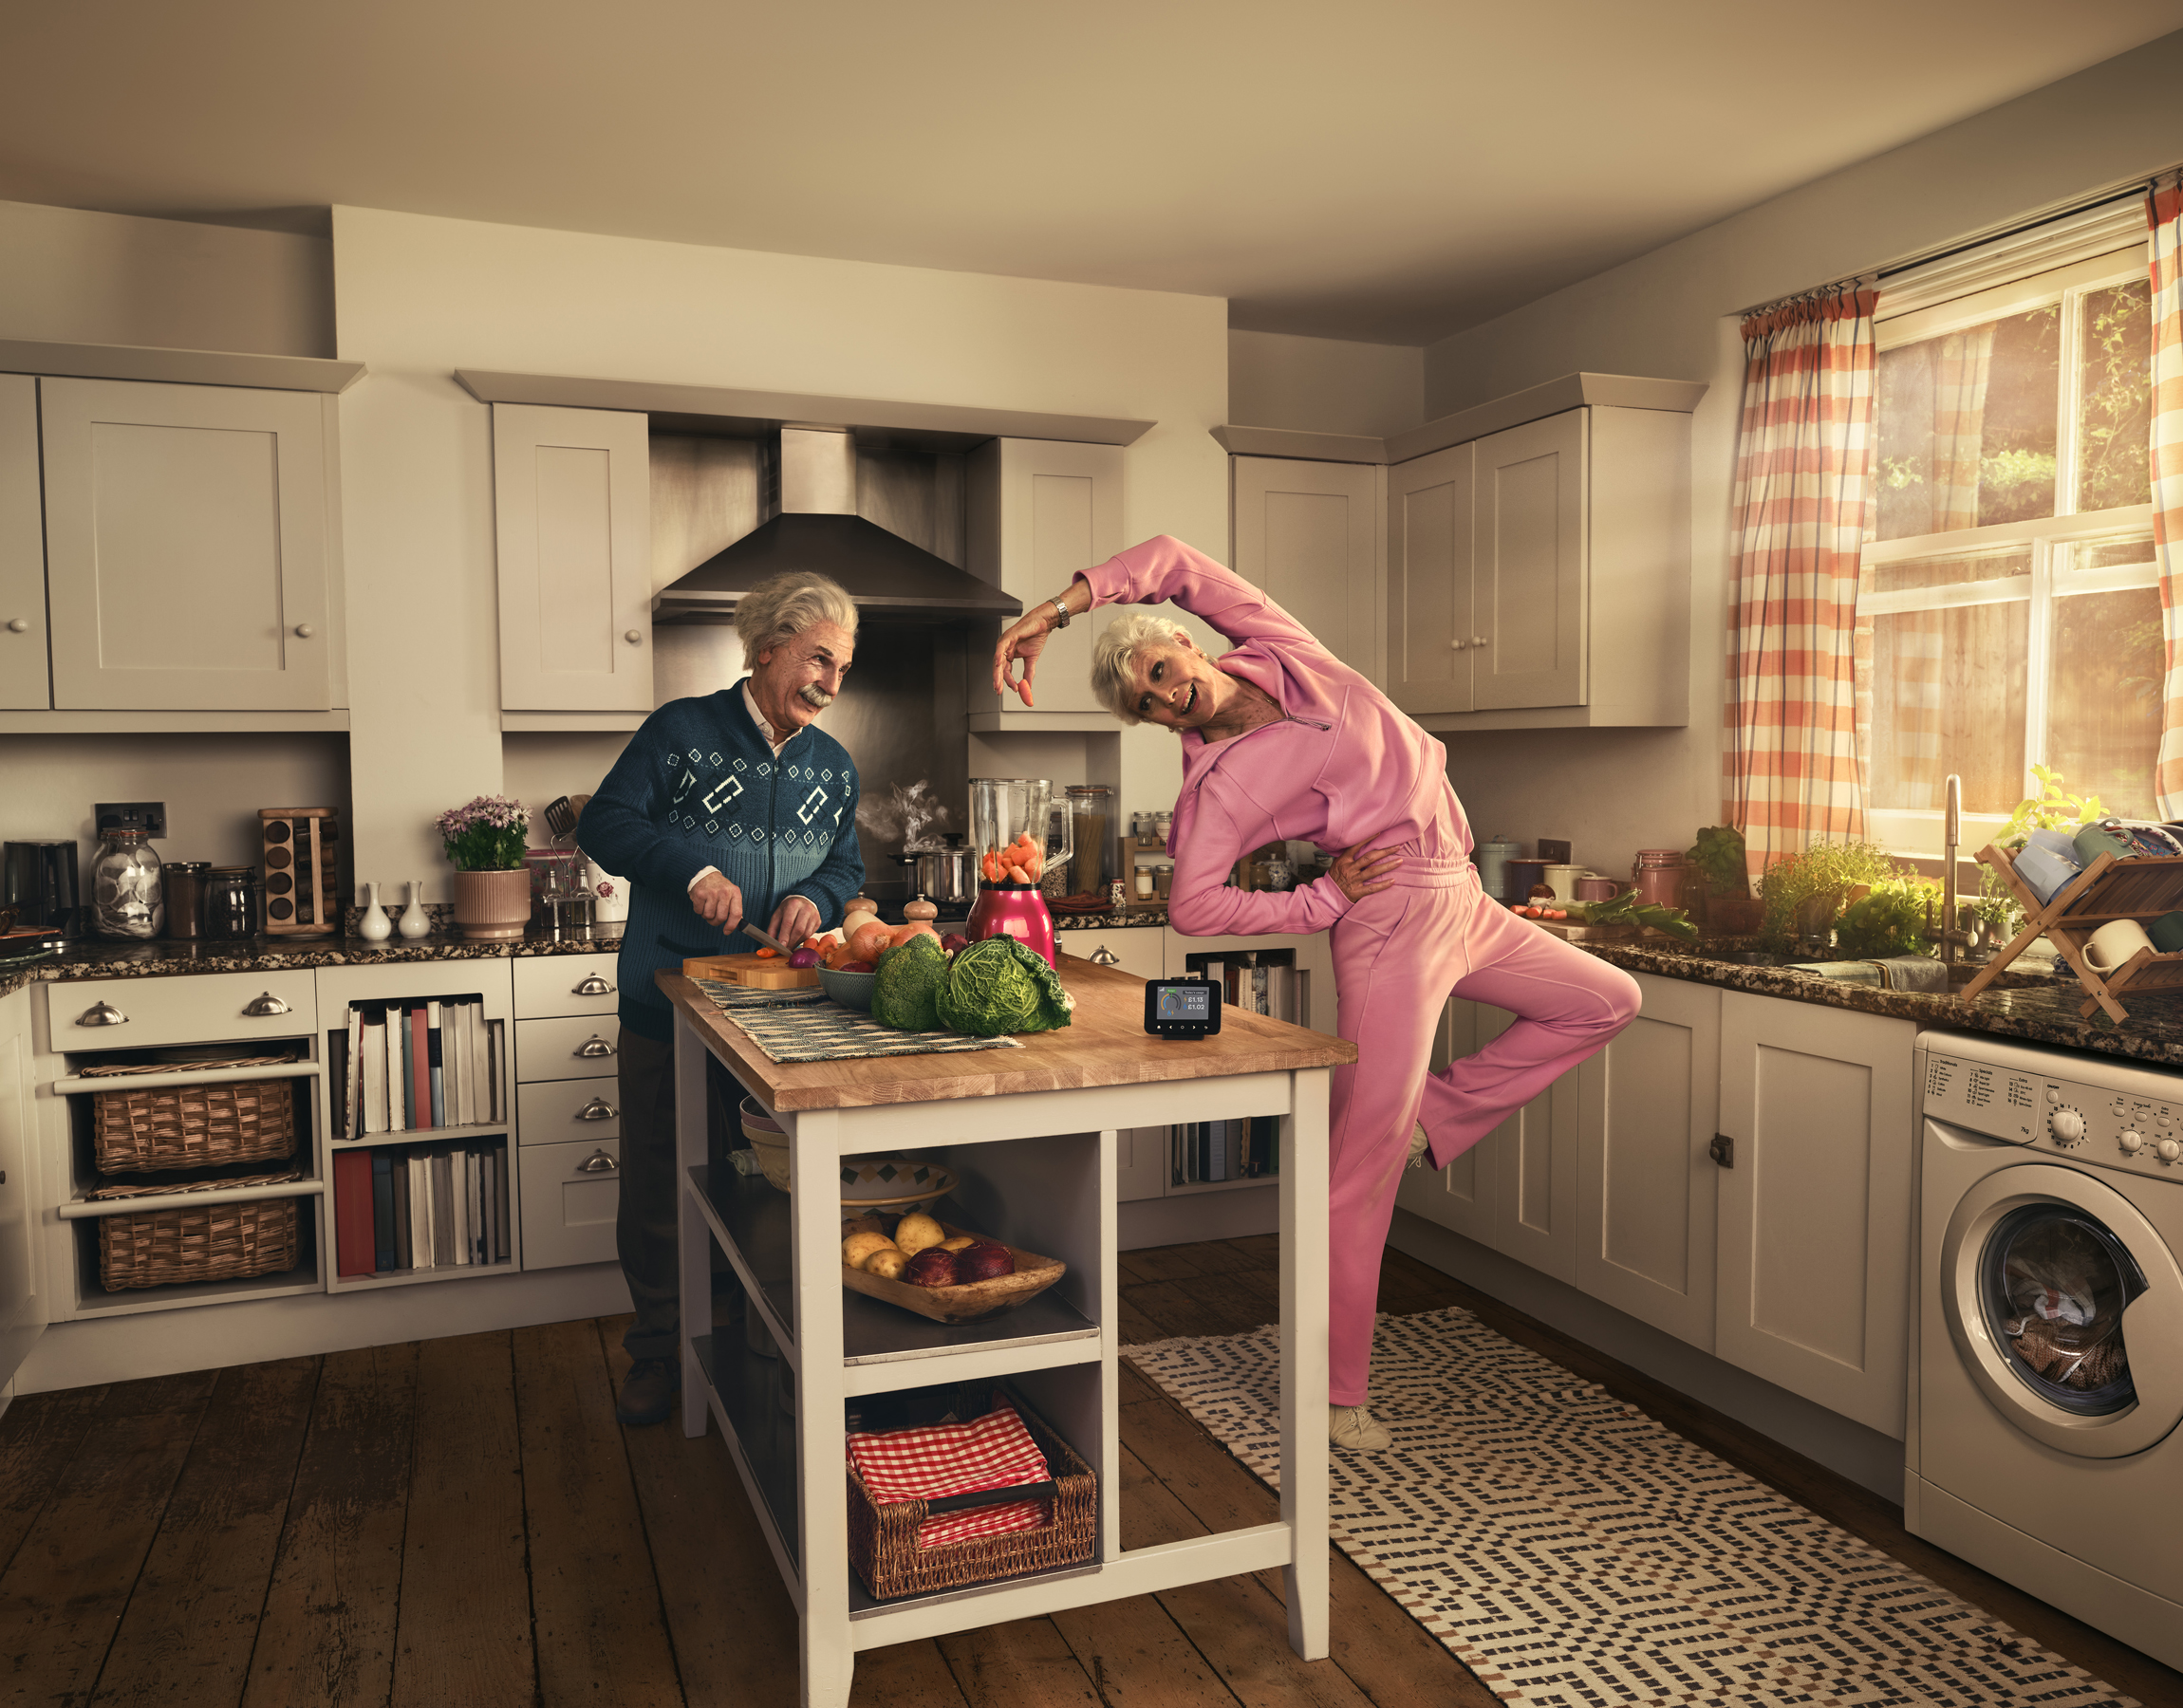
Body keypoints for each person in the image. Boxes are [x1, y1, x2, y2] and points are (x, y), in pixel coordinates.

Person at [992, 536, 1639, 1451]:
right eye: (1148, 702)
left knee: (1606, 999)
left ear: (1189, 645)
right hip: (1390, 926)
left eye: (1162, 671)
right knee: (1357, 1175)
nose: (1168, 694)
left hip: (1465, 894)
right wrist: (1330, 897)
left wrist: (1053, 612)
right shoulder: (1215, 788)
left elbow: (1176, 560)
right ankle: (1335, 1397)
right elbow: (1196, 904)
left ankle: (1436, 1120)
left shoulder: (1283, 651)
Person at [580, 570, 866, 1425]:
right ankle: (660, 1353)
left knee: (761, 1187)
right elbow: (606, 823)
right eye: (819, 659)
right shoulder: (680, 731)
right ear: (769, 647)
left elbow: (847, 865)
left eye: (843, 668)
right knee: (663, 1188)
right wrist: (693, 870)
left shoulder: (834, 765)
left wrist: (816, 896)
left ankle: (751, 1342)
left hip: (783, 1018)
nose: (830, 682)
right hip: (669, 1004)